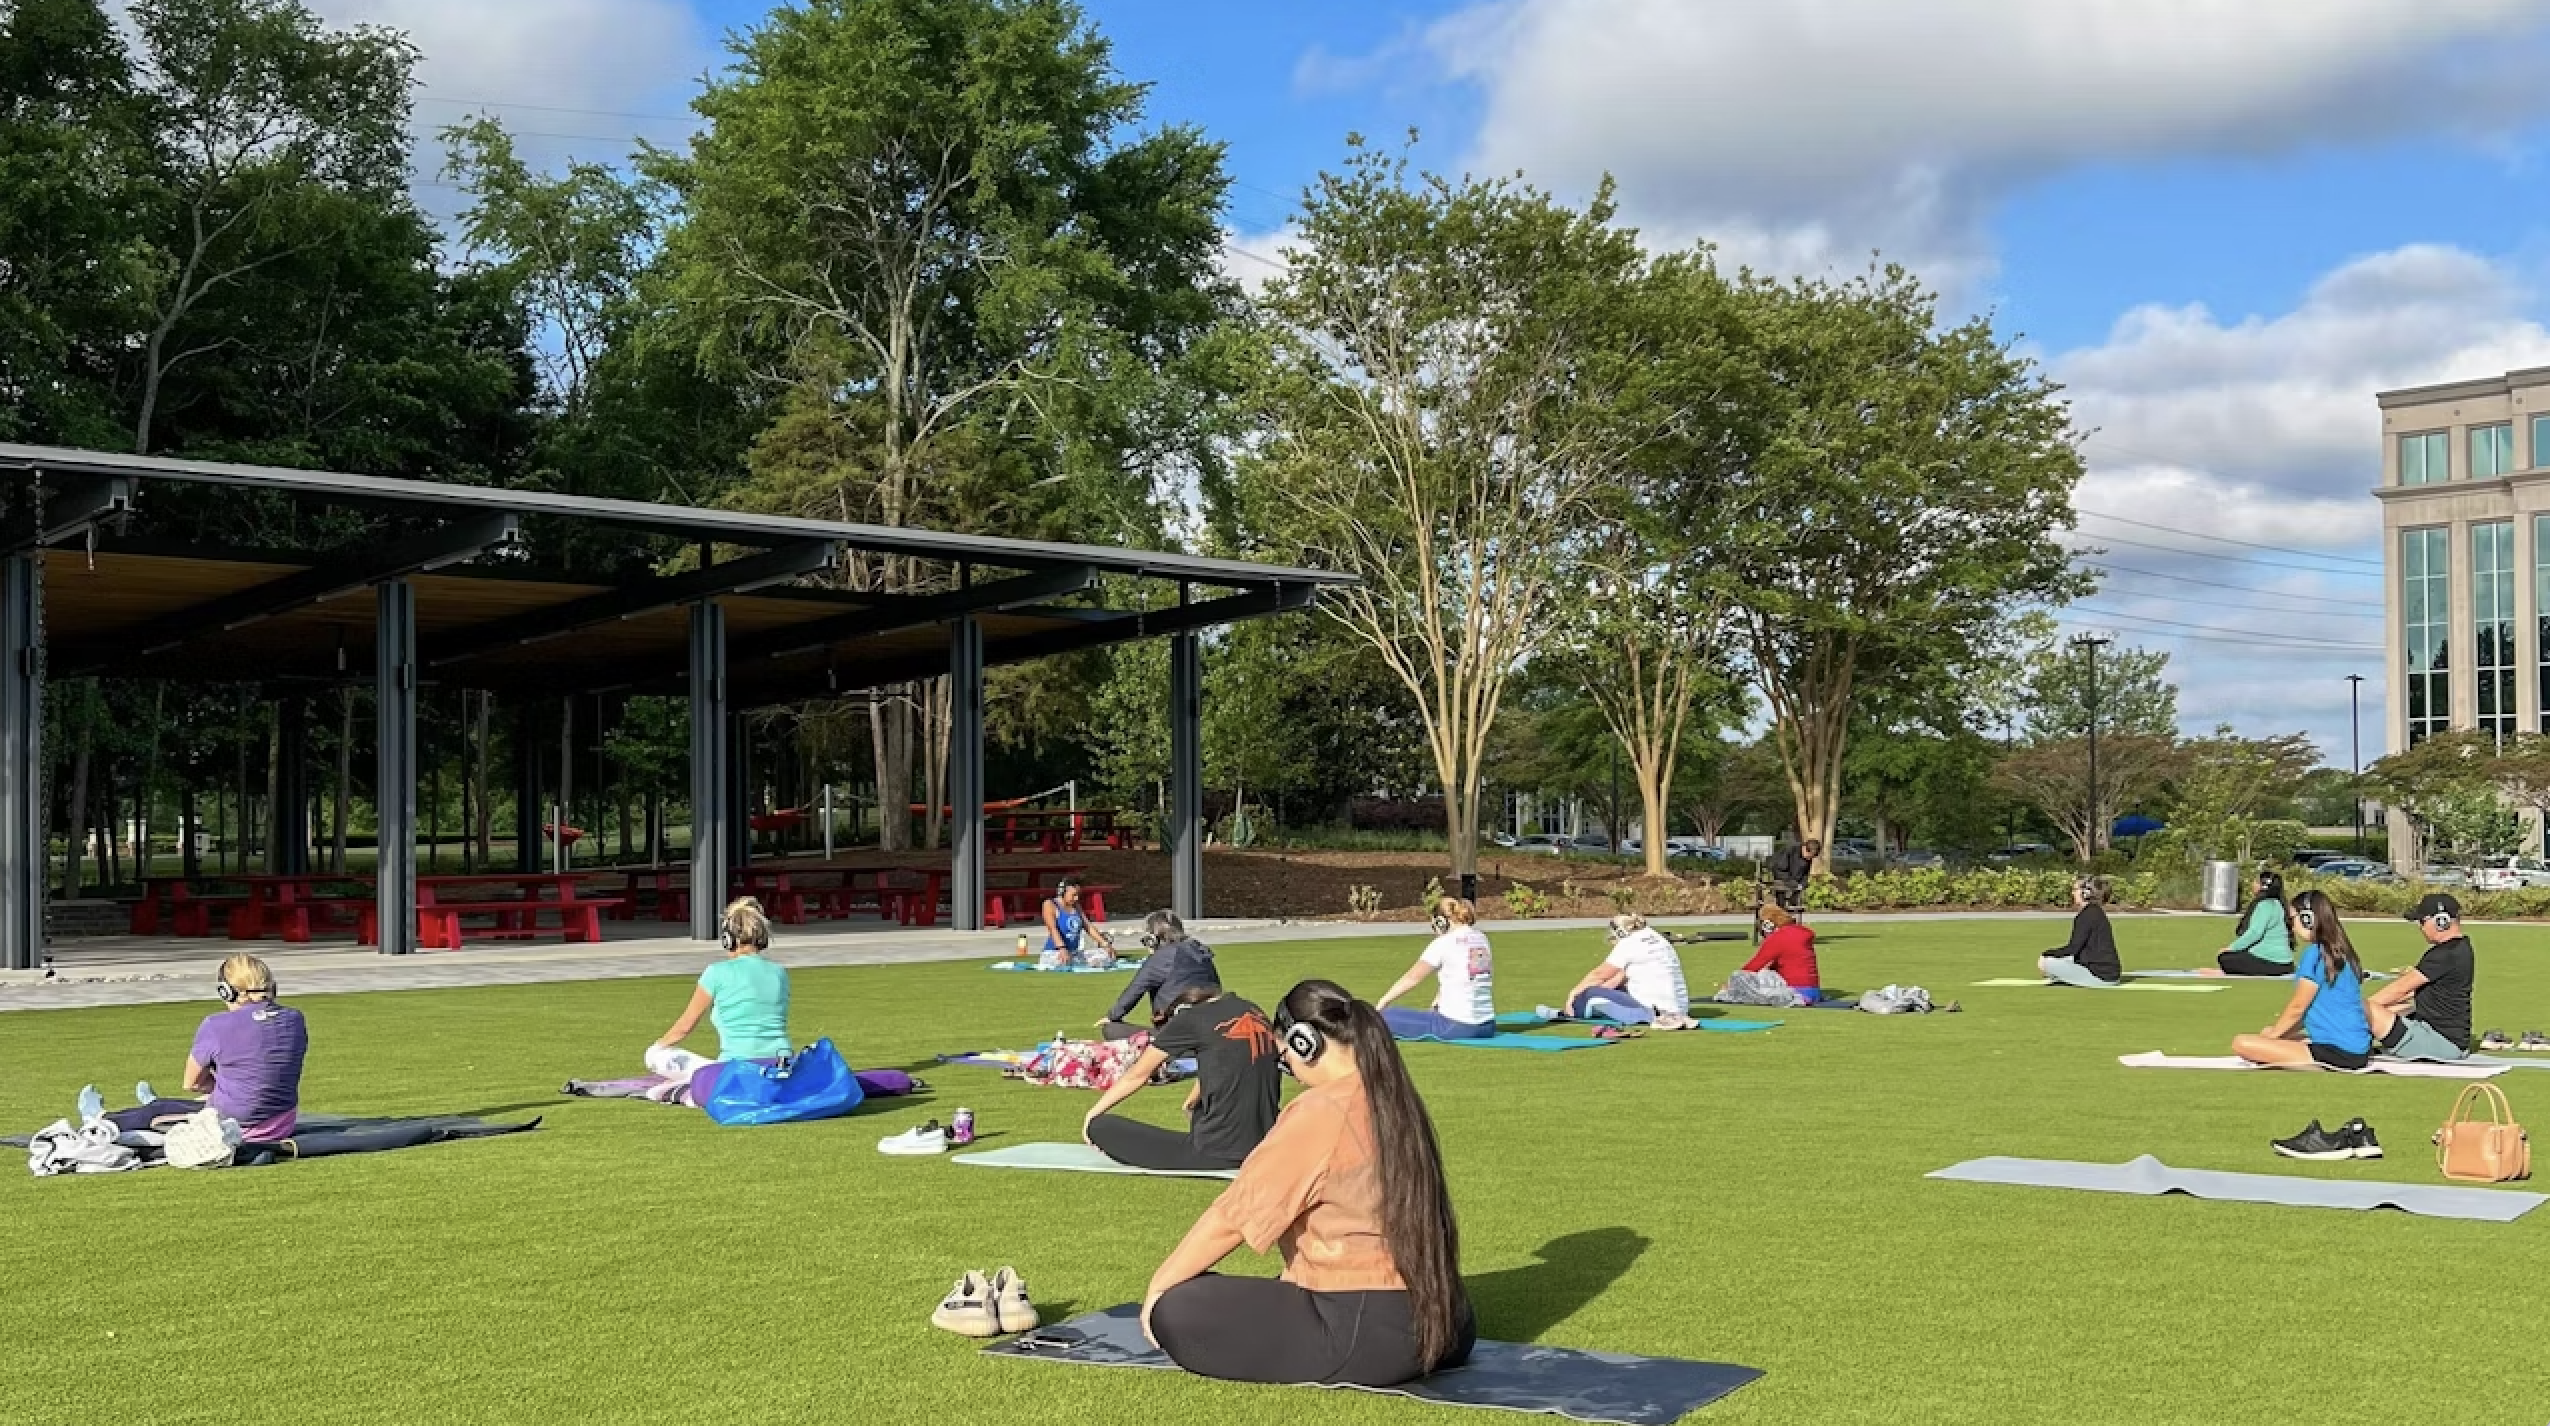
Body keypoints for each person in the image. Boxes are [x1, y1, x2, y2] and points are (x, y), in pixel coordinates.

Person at [1143, 979, 1475, 1388]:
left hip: (1364, 1332)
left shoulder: (1320, 1109)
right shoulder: (1396, 1098)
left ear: (1305, 1044)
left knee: (1178, 1308)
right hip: (1449, 1321)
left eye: (1285, 1058)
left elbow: (1234, 1216)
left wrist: (1160, 1286)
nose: (1290, 1073)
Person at [1083, 985, 1282, 1171]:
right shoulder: (1252, 1009)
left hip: (1219, 1152)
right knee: (1203, 1108)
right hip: (1267, 1141)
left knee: (1101, 1127)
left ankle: (1095, 1126)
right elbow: (1224, 1063)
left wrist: (1092, 1115)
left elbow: (1137, 1074)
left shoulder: (1189, 1018)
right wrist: (1191, 1101)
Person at [648, 897, 792, 1081]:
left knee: (654, 1056)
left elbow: (684, 1027)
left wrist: (657, 1046)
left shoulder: (716, 972)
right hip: (781, 1063)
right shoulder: (779, 973)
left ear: (727, 939)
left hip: (736, 1068)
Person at [2232, 890, 2372, 1069]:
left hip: (2339, 1052)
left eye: (2293, 919)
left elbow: (2298, 1007)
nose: (2292, 926)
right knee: (2269, 1032)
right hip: (2355, 1049)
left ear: (2308, 919)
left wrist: (2272, 1039)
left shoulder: (2315, 954)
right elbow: (2306, 1013)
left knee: (2242, 1043)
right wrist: (2275, 1035)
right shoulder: (2340, 952)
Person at [180, 954, 310, 1144]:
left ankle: (154, 1104)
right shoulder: (295, 1018)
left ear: (225, 991)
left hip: (233, 1124)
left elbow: (191, 1083)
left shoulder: (215, 1025)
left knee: (166, 1110)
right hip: (282, 1124)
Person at [2365, 893, 2476, 1062]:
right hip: (2448, 1039)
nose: (2420, 927)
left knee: (2366, 1009)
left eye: (2422, 921)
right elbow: (2415, 992)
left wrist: (2357, 1011)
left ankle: (2343, 1046)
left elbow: (2399, 989)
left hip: (2441, 1044)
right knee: (2392, 1009)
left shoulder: (2445, 954)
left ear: (2441, 921)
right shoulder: (2460, 948)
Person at [1373, 898, 1495, 1040]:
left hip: (1456, 1026)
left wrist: (1383, 1002)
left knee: (1384, 1016)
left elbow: (1412, 978)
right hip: (1487, 1026)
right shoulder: (1481, 938)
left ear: (1440, 922)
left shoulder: (1443, 943)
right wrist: (1438, 1001)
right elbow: (1466, 975)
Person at [1097, 910, 1223, 1042]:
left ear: (1152, 939)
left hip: (1177, 1034)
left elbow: (1134, 991)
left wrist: (1112, 1016)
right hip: (1211, 1030)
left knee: (1111, 1029)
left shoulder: (1161, 957)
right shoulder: (1202, 952)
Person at [1558, 914, 1690, 1025]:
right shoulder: (1657, 938)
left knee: (1588, 994)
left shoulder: (1629, 943)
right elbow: (1620, 978)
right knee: (1613, 990)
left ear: (1620, 931)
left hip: (1653, 1010)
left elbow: (1599, 975)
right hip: (1681, 1008)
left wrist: (1573, 995)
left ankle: (1572, 1012)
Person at [1722, 903, 1822, 1004]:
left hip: (1795, 993)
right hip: (1814, 992)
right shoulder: (1800, 933)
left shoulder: (1778, 937)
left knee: (1741, 977)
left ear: (1767, 924)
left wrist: (1730, 984)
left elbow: (1754, 965)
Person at [2206, 869, 2294, 977]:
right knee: (2237, 956)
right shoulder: (2278, 904)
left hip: (2272, 962)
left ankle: (2225, 972)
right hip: (2286, 963)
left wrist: (2231, 948)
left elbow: (2254, 933)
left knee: (2225, 958)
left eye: (2256, 882)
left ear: (2263, 886)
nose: (2253, 884)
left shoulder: (2264, 906)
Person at [2039, 877, 2123, 987]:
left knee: (2046, 962)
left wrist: (2046, 954)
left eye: (2075, 890)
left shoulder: (2087, 915)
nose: (2072, 893)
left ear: (2086, 893)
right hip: (2109, 974)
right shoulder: (2095, 912)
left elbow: (2073, 948)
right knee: (2066, 959)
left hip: (2100, 977)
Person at [1039, 878, 1116, 969]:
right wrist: (1062, 948)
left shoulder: (1076, 906)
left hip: (1073, 952)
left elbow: (1088, 926)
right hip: (1054, 952)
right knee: (1063, 962)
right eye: (1073, 895)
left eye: (1078, 895)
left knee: (1105, 955)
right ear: (1063, 892)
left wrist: (1105, 944)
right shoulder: (1049, 904)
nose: (1076, 898)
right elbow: (1053, 929)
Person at [1766, 839, 1819, 917]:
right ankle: (1781, 917)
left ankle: (1793, 920)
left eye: (1811, 857)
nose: (1809, 858)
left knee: (1795, 902)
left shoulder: (1808, 858)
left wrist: (1802, 884)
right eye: (1808, 855)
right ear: (1804, 848)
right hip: (1781, 878)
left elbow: (1805, 874)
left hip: (1795, 882)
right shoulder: (1790, 850)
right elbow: (1779, 870)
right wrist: (1792, 883)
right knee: (1782, 898)